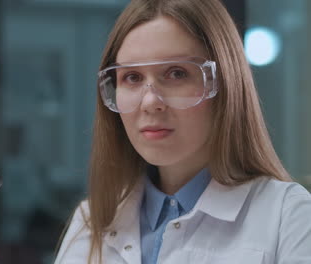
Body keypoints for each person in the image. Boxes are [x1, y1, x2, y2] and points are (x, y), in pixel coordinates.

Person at [54, 0, 311, 263]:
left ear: (224, 84)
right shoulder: (90, 223)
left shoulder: (289, 217)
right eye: (132, 77)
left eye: (176, 73)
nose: (150, 102)